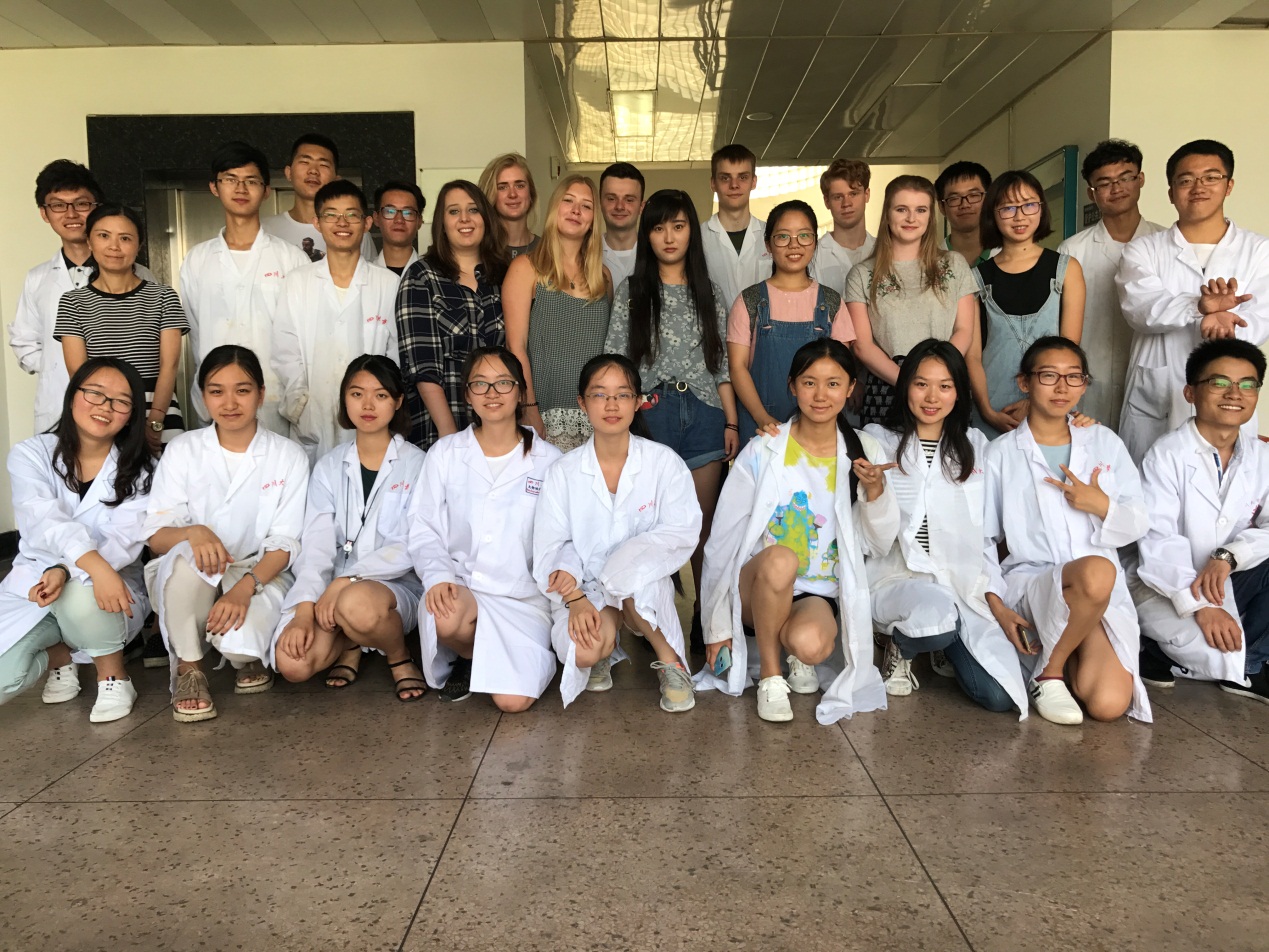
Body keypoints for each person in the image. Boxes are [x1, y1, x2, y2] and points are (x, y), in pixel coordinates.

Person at [696, 339, 899, 724]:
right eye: (809, 383)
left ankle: (792, 653)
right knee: (781, 559)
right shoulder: (765, 449)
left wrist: (875, 492)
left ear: (851, 388)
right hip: (758, 583)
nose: (821, 395)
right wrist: (716, 626)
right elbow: (721, 540)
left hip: (815, 591)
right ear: (792, 386)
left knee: (812, 646)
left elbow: (880, 542)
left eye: (833, 384)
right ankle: (772, 677)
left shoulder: (865, 449)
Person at [984, 336, 1151, 725]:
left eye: (1074, 377)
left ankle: (1063, 648)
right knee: (1098, 571)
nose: (1062, 387)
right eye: (1049, 375)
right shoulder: (1001, 453)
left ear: (1084, 384)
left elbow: (1139, 520)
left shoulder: (1103, 442)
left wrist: (1101, 504)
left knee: (1108, 705)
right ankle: (1050, 672)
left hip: (1097, 593)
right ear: (1024, 382)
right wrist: (998, 606)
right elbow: (981, 540)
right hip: (1036, 584)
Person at [143, 345, 308, 723]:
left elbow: (285, 542)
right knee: (183, 559)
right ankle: (190, 669)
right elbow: (155, 536)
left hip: (258, 572)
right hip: (194, 572)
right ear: (203, 397)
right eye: (217, 391)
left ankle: (242, 655)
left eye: (242, 390)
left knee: (242, 648)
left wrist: (244, 588)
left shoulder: (288, 456)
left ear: (261, 395)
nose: (230, 403)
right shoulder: (183, 450)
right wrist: (194, 532)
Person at [864, 339, 1028, 714]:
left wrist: (996, 602)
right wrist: (874, 492)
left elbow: (984, 538)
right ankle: (901, 644)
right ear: (905, 385)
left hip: (959, 585)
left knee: (999, 695)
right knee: (934, 619)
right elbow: (872, 539)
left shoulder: (975, 445)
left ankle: (940, 638)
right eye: (921, 384)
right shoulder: (877, 441)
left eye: (945, 386)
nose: (932, 397)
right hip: (896, 577)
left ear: (959, 391)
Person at [602, 188, 738, 642]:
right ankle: (648, 614)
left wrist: (731, 422)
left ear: (691, 232)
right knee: (648, 523)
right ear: (647, 235)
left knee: (701, 523)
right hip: (652, 413)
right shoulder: (633, 291)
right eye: (658, 228)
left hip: (704, 415)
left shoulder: (709, 292)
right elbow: (618, 360)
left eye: (678, 226)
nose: (669, 237)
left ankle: (706, 616)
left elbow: (721, 367)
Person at [532, 354, 701, 711]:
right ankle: (604, 649)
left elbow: (681, 531)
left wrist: (621, 568)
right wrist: (575, 598)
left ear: (638, 402)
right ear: (582, 403)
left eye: (622, 395)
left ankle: (671, 662)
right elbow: (551, 544)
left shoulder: (663, 462)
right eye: (599, 395)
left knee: (632, 582)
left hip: (641, 584)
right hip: (585, 588)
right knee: (584, 651)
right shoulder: (564, 471)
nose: (611, 405)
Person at [0, 358, 154, 721]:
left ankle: (113, 676)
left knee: (83, 594)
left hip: (105, 585)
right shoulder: (30, 454)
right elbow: (43, 518)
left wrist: (69, 570)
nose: (105, 407)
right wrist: (76, 566)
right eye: (95, 394)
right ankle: (61, 655)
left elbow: (124, 540)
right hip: (34, 581)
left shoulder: (142, 471)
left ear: (131, 415)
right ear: (72, 397)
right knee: (6, 678)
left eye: (121, 401)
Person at [410, 346, 562, 709]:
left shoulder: (550, 461)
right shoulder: (446, 453)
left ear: (521, 392)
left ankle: (516, 657)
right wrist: (438, 576)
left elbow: (562, 537)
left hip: (522, 596)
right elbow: (423, 525)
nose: (492, 393)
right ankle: (471, 656)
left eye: (503, 383)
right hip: (465, 588)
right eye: (480, 384)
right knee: (445, 615)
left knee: (513, 703)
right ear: (467, 395)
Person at [273, 355, 427, 699]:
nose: (367, 405)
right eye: (357, 394)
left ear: (398, 401)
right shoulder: (328, 467)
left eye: (381, 395)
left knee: (355, 603)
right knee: (293, 664)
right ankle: (351, 642)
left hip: (393, 587)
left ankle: (399, 657)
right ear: (344, 399)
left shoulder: (418, 464)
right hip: (332, 589)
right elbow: (316, 545)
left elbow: (412, 544)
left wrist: (347, 581)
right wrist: (304, 608)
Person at [1131, 339, 1269, 702]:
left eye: (1248, 384)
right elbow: (1158, 540)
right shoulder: (1166, 455)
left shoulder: (1262, 456)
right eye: (1220, 382)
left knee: (1228, 654)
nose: (1234, 394)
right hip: (1170, 584)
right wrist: (1202, 608)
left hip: (1231, 579)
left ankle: (1250, 663)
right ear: (1190, 392)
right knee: (1210, 649)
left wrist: (1229, 555)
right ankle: (1158, 650)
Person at [1117, 139, 1269, 464]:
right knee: (1149, 484)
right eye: (1186, 180)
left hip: (1227, 393)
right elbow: (1140, 309)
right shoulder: (1143, 250)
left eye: (1211, 177)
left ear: (1229, 186)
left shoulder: (1260, 251)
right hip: (1158, 397)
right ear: (1171, 192)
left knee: (1227, 483)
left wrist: (1227, 326)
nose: (1198, 187)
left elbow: (1262, 318)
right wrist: (1198, 307)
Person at [8, 160, 154, 434]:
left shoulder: (141, 276)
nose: (71, 214)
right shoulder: (37, 278)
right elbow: (24, 341)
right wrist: (54, 366)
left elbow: (153, 344)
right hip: (58, 405)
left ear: (97, 207)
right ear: (44, 213)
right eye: (58, 205)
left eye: (81, 203)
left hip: (124, 408)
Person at [180, 141, 310, 435]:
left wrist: (295, 399)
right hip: (217, 403)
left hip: (276, 402)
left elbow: (300, 341)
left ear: (266, 191)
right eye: (230, 179)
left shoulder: (291, 258)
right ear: (214, 187)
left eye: (251, 181)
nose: (241, 188)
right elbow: (196, 335)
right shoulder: (197, 260)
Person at [271, 179, 400, 462]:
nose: (342, 223)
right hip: (312, 418)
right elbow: (284, 351)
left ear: (367, 223)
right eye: (331, 215)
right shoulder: (298, 282)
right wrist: (301, 404)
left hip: (372, 416)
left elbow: (395, 353)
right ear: (317, 223)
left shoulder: (389, 284)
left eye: (352, 214)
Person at [845, 175, 978, 427]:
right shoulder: (862, 274)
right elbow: (862, 346)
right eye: (901, 209)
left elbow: (964, 330)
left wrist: (936, 381)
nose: (911, 218)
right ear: (887, 214)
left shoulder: (954, 264)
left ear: (930, 217)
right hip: (888, 386)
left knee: (948, 453)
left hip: (945, 384)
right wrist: (910, 383)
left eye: (920, 210)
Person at [55, 203, 188, 452]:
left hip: (157, 409)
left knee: (167, 476)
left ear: (139, 245)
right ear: (89, 241)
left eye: (125, 238)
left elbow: (169, 366)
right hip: (100, 412)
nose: (114, 246)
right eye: (104, 236)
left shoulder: (163, 297)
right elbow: (79, 373)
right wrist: (106, 414)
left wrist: (155, 421)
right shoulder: (73, 302)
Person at [969, 169, 1086, 438]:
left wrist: (1033, 403)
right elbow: (972, 356)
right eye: (1008, 208)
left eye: (1029, 205)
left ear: (1041, 209)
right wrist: (986, 410)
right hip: (993, 404)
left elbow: (1069, 348)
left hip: (1052, 400)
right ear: (992, 214)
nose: (1020, 216)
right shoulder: (976, 277)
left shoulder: (1066, 269)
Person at [727, 200, 856, 441]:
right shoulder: (749, 301)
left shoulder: (831, 302)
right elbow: (737, 367)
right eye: (783, 236)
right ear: (768, 244)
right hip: (760, 429)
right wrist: (762, 417)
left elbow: (840, 372)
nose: (794, 244)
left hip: (819, 428)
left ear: (815, 242)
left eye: (804, 235)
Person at [1057, 140, 1165, 428]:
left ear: (1141, 179)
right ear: (1091, 193)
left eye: (1125, 178)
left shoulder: (1167, 244)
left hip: (1152, 379)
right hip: (1091, 379)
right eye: (1104, 183)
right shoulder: (1072, 250)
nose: (1116, 189)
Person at [395, 180, 508, 449]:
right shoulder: (421, 277)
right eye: (454, 211)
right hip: (442, 427)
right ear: (442, 223)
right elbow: (423, 368)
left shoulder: (504, 276)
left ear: (486, 218)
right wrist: (451, 440)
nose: (464, 219)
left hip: (500, 427)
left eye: (473, 210)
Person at [504, 174, 612, 451]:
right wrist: (529, 407)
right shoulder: (526, 268)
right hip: (543, 414)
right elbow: (516, 346)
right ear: (554, 208)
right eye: (568, 201)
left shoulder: (603, 278)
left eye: (586, 206)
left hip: (596, 416)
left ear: (593, 220)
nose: (576, 210)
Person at [262, 133, 376, 261]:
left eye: (323, 165)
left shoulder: (354, 230)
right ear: (288, 173)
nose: (313, 171)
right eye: (305, 162)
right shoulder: (264, 229)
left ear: (336, 179)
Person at [701, 143, 770, 311]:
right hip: (714, 328)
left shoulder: (771, 235)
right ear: (713, 183)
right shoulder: (698, 237)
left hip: (764, 327)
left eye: (743, 177)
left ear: (753, 182)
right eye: (725, 178)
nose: (734, 185)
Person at [810, 158, 876, 296]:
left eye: (853, 194)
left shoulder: (884, 251)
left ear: (867, 195)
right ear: (826, 201)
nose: (846, 203)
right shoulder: (812, 257)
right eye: (838, 197)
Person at [479, 153, 539, 258]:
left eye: (519, 186)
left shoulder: (547, 249)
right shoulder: (479, 251)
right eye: (502, 187)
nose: (512, 194)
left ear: (531, 193)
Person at [935, 161, 993, 268]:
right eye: (954, 198)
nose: (965, 205)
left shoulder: (1012, 256)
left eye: (974, 195)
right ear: (942, 207)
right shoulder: (929, 263)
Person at [599, 161, 645, 289]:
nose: (619, 206)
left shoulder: (656, 252)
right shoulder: (584, 254)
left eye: (629, 200)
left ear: (641, 206)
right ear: (600, 202)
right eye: (611, 198)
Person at [372, 180, 424, 276]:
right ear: (376, 218)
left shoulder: (435, 276)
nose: (399, 220)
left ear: (419, 221)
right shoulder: (362, 274)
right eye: (390, 211)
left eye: (408, 213)